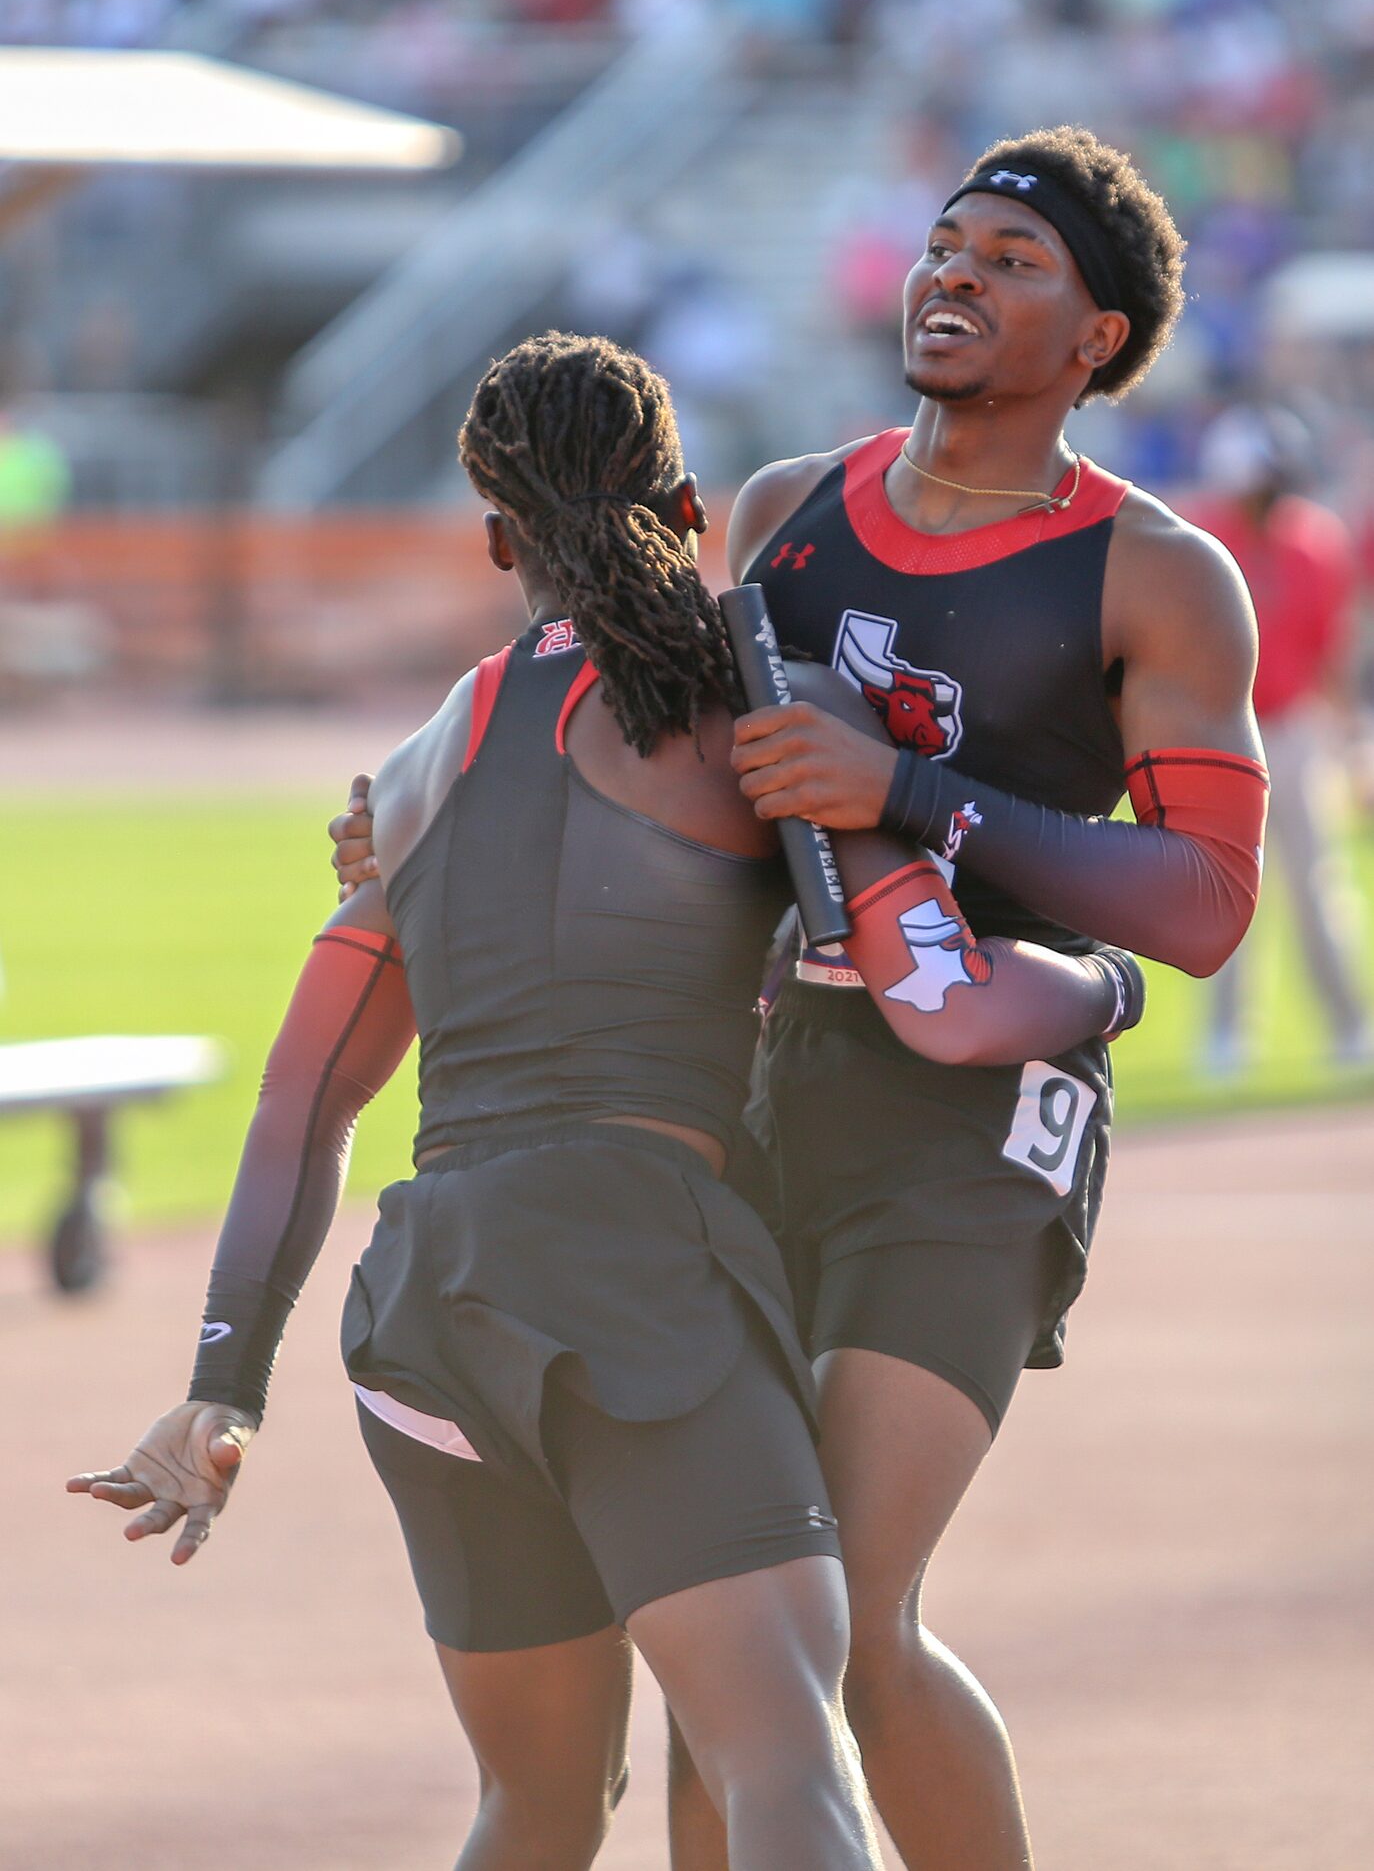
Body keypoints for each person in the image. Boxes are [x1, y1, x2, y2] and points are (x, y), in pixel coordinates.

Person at [69, 333, 1141, 1871]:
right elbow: (943, 1002)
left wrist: (224, 1383)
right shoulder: (747, 700)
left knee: (538, 1808)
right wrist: (1110, 984)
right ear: (693, 507)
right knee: (785, 1759)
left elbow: (305, 1095)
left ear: (495, 535)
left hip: (421, 1306)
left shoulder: (413, 766)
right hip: (633, 1272)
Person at [332, 131, 1271, 1871]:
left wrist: (909, 793)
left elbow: (1204, 905)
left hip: (972, 1098)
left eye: (1012, 261)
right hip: (760, 1088)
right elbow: (668, 753)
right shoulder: (782, 512)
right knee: (739, 1622)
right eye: (943, 242)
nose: (956, 275)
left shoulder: (1150, 571)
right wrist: (424, 823)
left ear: (1096, 337)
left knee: (835, 1596)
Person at [1189, 404, 1370, 1072]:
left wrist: (1346, 737)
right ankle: (1226, 1037)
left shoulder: (1314, 541)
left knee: (1317, 886)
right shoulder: (1205, 538)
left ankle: (1349, 1026)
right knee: (1228, 893)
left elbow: (1335, 651)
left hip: (1293, 729)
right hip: (1223, 731)